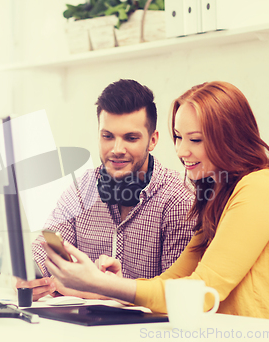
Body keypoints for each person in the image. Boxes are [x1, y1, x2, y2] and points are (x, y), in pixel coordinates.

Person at [41, 81, 269, 327]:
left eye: (196, 140)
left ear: (230, 139)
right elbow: (174, 284)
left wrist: (105, 286)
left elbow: (202, 291)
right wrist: (111, 285)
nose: (182, 151)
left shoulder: (262, 189)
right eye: (178, 137)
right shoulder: (215, 197)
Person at [17, 79, 195, 300]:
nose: (116, 149)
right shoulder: (82, 189)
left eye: (130, 138)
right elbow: (46, 247)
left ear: (153, 140)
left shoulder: (180, 200)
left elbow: (177, 294)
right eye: (107, 136)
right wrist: (31, 278)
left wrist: (104, 290)